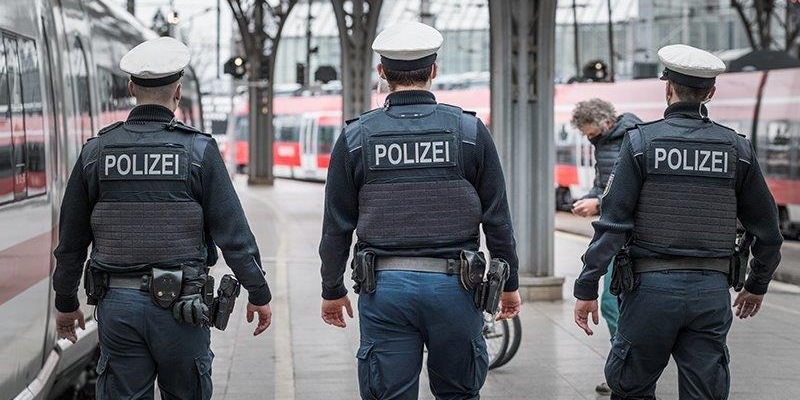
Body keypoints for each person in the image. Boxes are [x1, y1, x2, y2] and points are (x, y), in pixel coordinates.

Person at [52, 37, 273, 400]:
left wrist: (65, 302)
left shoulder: (96, 152)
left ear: (131, 89)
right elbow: (233, 234)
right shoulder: (198, 150)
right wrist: (258, 291)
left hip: (117, 306)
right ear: (178, 91)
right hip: (182, 308)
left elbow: (71, 240)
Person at [318, 21, 522, 400]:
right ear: (434, 71)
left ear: (382, 72)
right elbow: (497, 220)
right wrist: (509, 284)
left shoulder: (356, 137)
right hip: (457, 288)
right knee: (459, 393)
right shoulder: (469, 132)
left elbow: (336, 226)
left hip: (385, 290)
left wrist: (332, 289)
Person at [573, 44, 783, 399]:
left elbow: (613, 225)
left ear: (668, 88)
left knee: (632, 387)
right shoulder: (737, 149)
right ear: (711, 93)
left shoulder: (640, 143)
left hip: (648, 291)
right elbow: (768, 232)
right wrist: (756, 284)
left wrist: (586, 286)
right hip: (711, 293)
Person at [570, 99, 641, 396]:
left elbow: (632, 192)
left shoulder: (630, 139)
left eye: (590, 132)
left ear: (607, 123)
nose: (588, 137)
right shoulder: (604, 142)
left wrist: (598, 204)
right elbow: (606, 185)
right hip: (618, 235)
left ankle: (625, 371)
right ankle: (625, 370)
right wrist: (591, 197)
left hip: (626, 238)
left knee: (612, 303)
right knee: (619, 304)